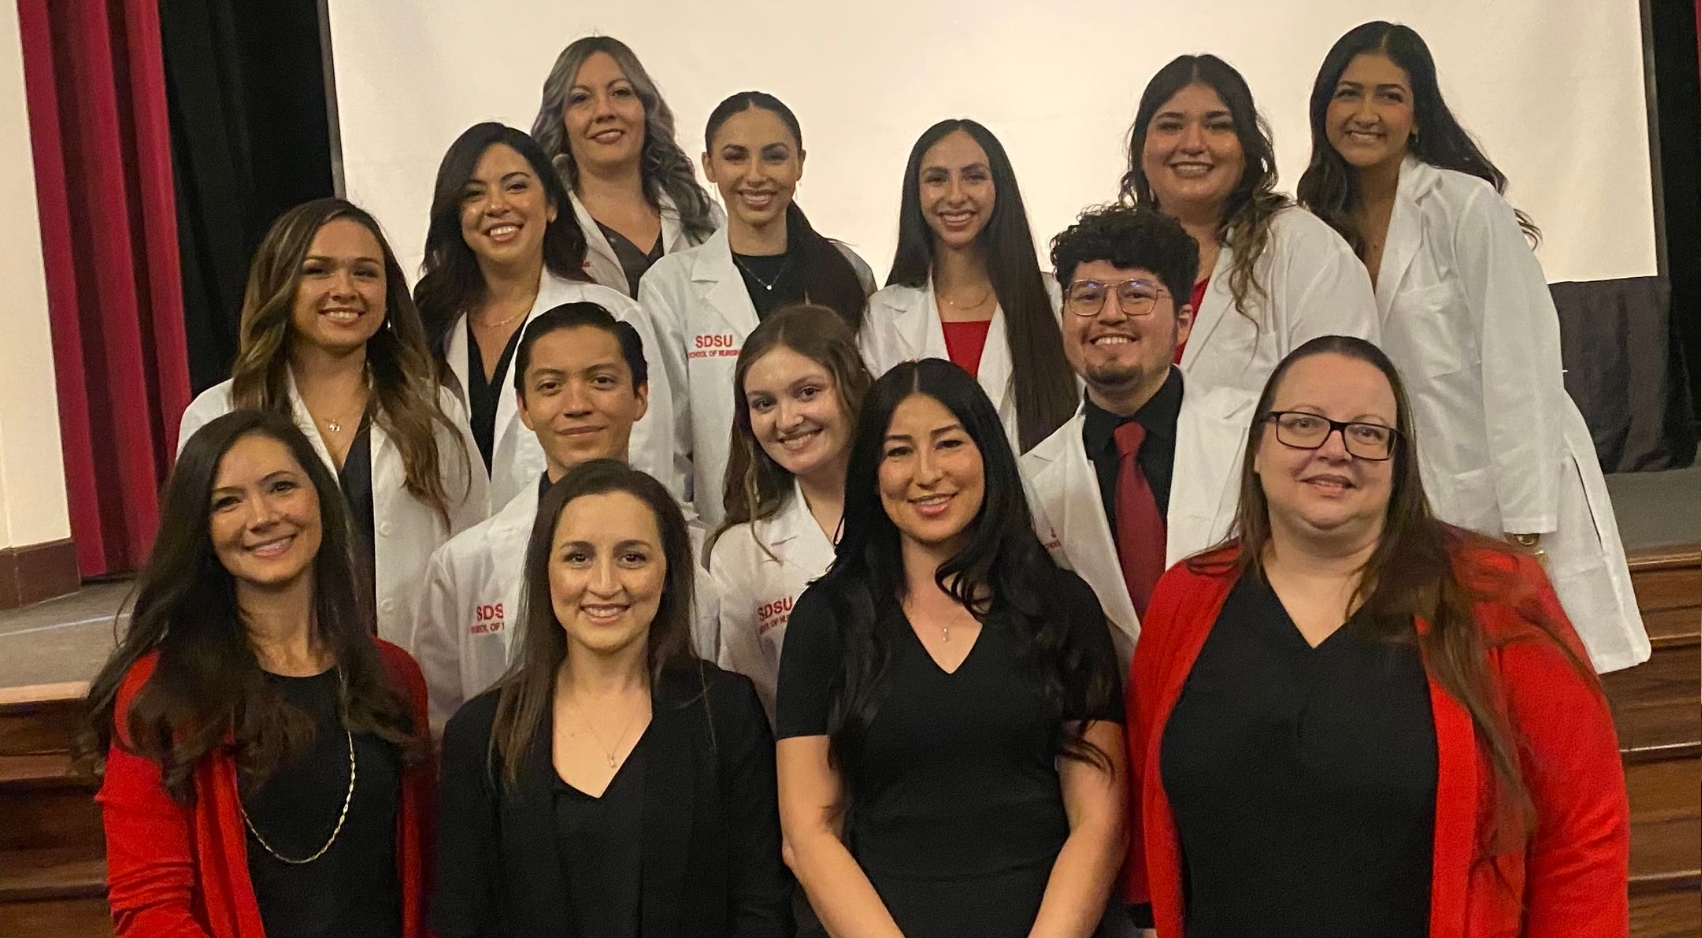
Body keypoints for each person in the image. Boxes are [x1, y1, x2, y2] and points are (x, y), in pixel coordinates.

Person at [1124, 334, 1629, 937]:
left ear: (1399, 464)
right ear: (1257, 447)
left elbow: (1581, 833)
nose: (1335, 450)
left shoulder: (1495, 595)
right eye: (1303, 423)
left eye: (1367, 432)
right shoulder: (1186, 597)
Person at [1295, 21, 1648, 672]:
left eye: (1389, 96)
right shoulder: (1317, 221)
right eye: (1349, 94)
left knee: (1533, 688)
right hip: (1402, 499)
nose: (1365, 113)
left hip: (1503, 488)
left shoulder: (1464, 206)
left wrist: (1525, 529)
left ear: (1419, 116)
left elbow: (1522, 366)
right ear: (1324, 109)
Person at [776, 359, 1126, 938]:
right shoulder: (828, 619)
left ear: (987, 455)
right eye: (898, 452)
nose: (927, 473)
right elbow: (809, 834)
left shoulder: (1061, 605)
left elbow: (1099, 824)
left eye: (949, 443)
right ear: (870, 473)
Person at [81, 411, 435, 938]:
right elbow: (149, 911)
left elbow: (423, 884)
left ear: (319, 499)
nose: (263, 515)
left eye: (281, 487)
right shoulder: (160, 694)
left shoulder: (394, 676)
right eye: (228, 502)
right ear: (200, 531)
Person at [432, 460, 791, 937]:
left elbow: (761, 907)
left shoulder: (724, 711)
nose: (604, 584)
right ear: (545, 572)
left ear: (669, 574)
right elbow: (462, 919)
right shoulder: (481, 734)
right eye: (578, 557)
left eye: (632, 557)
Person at [179, 198, 488, 641]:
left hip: (415, 679)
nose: (344, 289)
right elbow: (196, 567)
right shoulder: (217, 414)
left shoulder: (434, 409)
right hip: (268, 678)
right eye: (318, 270)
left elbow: (472, 552)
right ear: (279, 283)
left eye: (364, 272)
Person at [410, 302, 717, 731]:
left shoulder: (702, 554)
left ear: (641, 396)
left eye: (602, 381)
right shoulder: (462, 566)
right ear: (524, 408)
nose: (576, 405)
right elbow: (443, 728)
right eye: (551, 386)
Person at [1022, 205, 1256, 666]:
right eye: (1087, 297)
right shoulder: (1033, 479)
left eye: (1136, 295)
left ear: (1183, 323)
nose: (1110, 315)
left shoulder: (1254, 437)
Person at [638, 90, 877, 526]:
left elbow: (868, 409)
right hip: (727, 527)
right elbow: (665, 442)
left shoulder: (848, 273)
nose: (755, 175)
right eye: (735, 157)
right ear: (708, 166)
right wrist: (688, 539)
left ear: (799, 162)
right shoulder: (670, 287)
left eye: (773, 156)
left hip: (849, 521)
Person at [413, 122, 675, 508]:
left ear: (552, 205)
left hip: (582, 554)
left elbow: (648, 466)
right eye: (473, 194)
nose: (496, 205)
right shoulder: (430, 325)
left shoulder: (613, 316)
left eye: (516, 186)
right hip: (458, 562)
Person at [1120, 54, 1378, 397]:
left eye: (1218, 125)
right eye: (1170, 125)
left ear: (1247, 147)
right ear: (1141, 147)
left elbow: (1346, 396)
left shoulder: (1306, 248)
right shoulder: (1111, 255)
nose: (1194, 144)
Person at [861, 118, 1075, 454]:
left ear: (999, 188)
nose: (956, 195)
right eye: (937, 179)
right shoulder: (885, 313)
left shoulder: (1056, 300)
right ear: (915, 193)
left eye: (974, 177)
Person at [710, 304, 873, 721]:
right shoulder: (741, 553)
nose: (787, 420)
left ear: (851, 385)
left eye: (807, 392)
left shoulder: (915, 507)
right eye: (764, 404)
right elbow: (753, 707)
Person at [529, 36, 723, 297]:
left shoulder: (702, 214)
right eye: (580, 98)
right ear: (560, 121)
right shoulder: (543, 225)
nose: (604, 111)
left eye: (620, 92)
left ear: (646, 108)